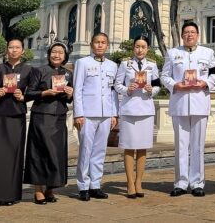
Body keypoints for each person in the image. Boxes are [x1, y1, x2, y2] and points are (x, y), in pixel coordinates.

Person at [161, 22, 215, 197]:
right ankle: (180, 182)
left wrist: (205, 83)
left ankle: (197, 183)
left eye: (192, 32)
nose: (189, 35)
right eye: (186, 32)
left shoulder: (208, 53)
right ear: (182, 36)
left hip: (200, 103)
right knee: (181, 145)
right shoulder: (172, 53)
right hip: (179, 103)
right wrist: (175, 84)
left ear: (198, 35)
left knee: (197, 146)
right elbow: (164, 76)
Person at [0, 38, 35, 206]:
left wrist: (23, 96)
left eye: (17, 47)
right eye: (11, 47)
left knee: (14, 156)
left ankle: (11, 194)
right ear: (6, 50)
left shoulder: (29, 70)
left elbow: (33, 92)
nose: (13, 50)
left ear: (23, 51)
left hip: (17, 116)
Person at [24, 41, 74, 204]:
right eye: (54, 51)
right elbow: (29, 94)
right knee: (39, 153)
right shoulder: (39, 71)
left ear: (65, 56)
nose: (57, 55)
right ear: (49, 53)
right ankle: (38, 190)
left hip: (59, 117)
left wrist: (69, 93)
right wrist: (44, 92)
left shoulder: (68, 74)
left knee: (56, 154)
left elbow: (70, 99)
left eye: (60, 52)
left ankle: (50, 189)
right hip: (41, 116)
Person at [113, 35, 161, 199]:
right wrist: (128, 88)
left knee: (142, 147)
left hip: (146, 109)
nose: (140, 50)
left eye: (143, 46)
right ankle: (129, 183)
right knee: (128, 146)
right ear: (133, 48)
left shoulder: (152, 65)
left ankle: (139, 182)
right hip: (129, 109)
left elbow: (157, 86)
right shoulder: (125, 64)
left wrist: (150, 90)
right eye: (137, 46)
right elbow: (117, 85)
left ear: (148, 49)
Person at [73, 32, 118, 201]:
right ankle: (83, 186)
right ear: (92, 44)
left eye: (103, 42)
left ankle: (95, 184)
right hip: (87, 114)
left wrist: (114, 113)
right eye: (97, 42)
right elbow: (77, 89)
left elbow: (113, 91)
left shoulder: (112, 65)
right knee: (85, 150)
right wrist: (78, 114)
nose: (100, 45)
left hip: (106, 114)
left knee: (100, 151)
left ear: (107, 45)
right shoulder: (82, 63)